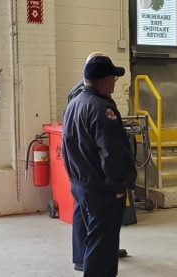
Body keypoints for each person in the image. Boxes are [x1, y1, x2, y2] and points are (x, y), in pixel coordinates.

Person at [62, 54, 137, 276]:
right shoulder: (103, 110)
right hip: (101, 189)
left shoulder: (74, 104)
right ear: (104, 81)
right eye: (113, 77)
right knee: (102, 246)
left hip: (81, 184)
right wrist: (117, 186)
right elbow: (111, 153)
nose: (116, 80)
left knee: (93, 238)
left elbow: (66, 145)